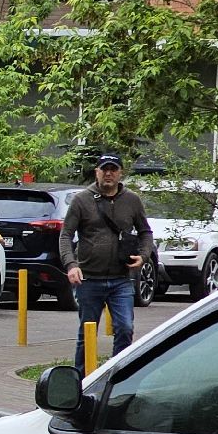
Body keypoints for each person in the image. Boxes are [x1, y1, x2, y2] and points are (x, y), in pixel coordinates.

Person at [61, 154, 154, 373]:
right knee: (87, 333)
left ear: (120, 173)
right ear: (97, 172)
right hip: (89, 279)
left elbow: (145, 232)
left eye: (113, 169)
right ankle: (82, 380)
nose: (109, 173)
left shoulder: (132, 200)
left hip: (121, 279)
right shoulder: (82, 200)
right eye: (105, 169)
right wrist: (71, 264)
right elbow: (66, 235)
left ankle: (115, 375)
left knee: (125, 328)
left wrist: (144, 255)